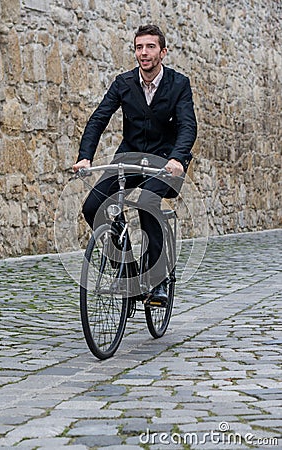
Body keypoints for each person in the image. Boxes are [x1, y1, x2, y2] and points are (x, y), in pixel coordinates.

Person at [73, 24, 197, 305]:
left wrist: (177, 158)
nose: (144, 53)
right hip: (129, 158)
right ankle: (126, 269)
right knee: (93, 206)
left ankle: (159, 279)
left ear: (163, 52)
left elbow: (188, 126)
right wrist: (85, 156)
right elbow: (98, 119)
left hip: (166, 162)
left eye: (150, 47)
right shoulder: (123, 83)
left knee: (147, 201)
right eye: (139, 47)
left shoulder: (179, 84)